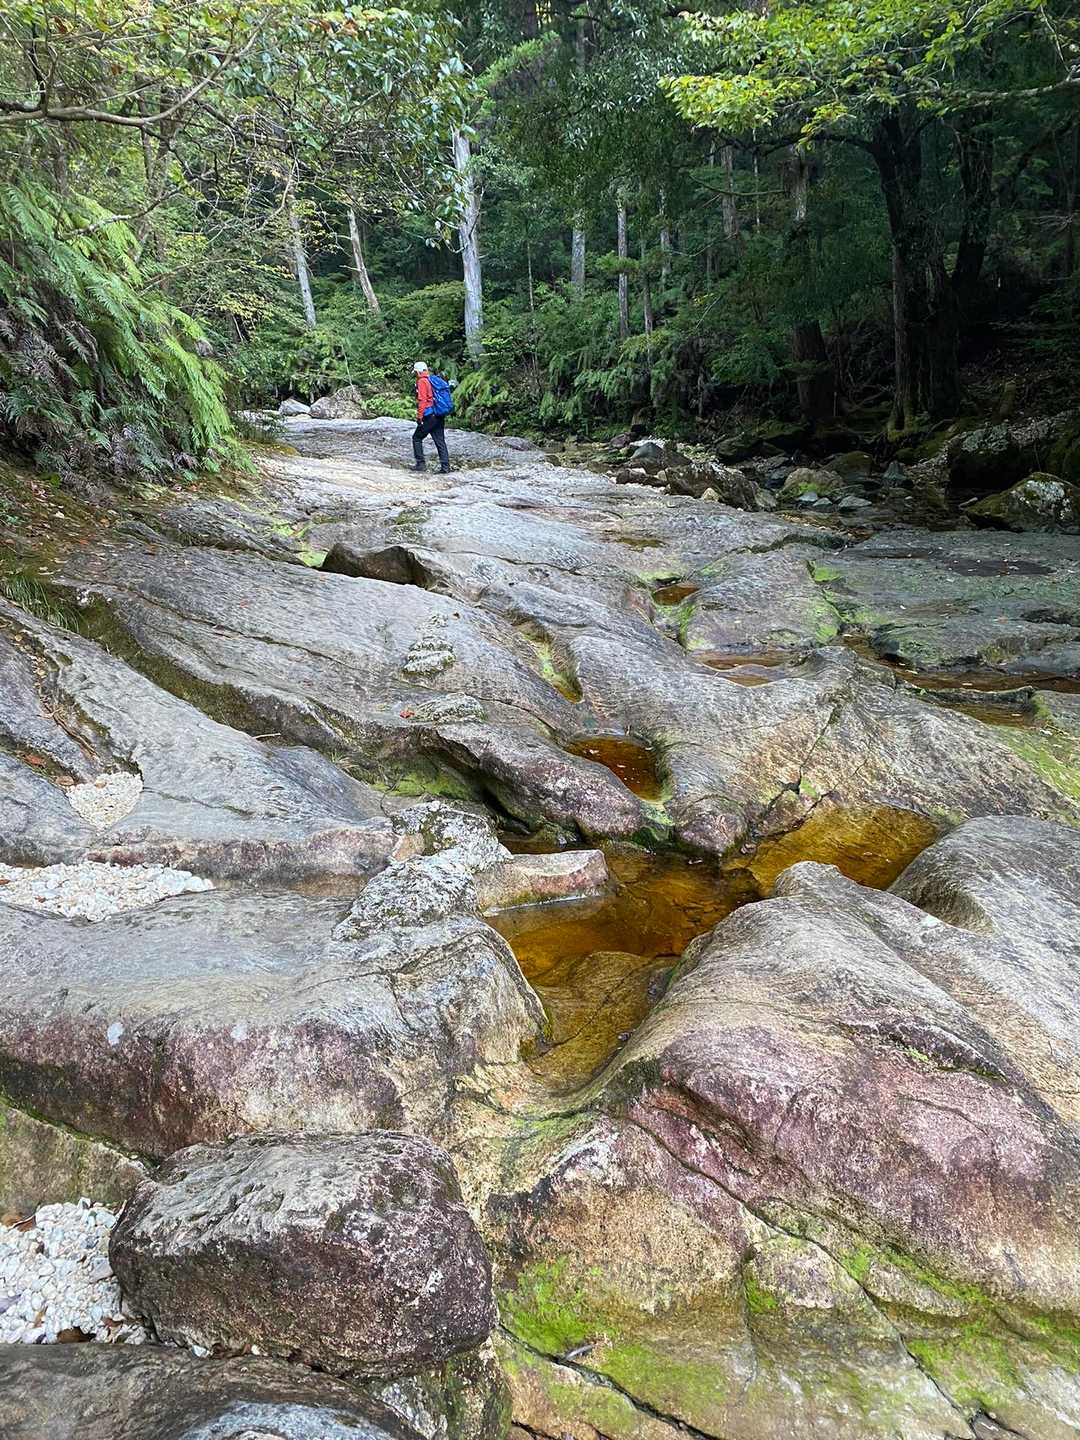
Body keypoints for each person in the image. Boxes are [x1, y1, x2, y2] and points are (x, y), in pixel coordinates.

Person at [412, 361, 451, 473]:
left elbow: (422, 400)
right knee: (440, 441)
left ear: (418, 372)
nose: (416, 374)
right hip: (438, 414)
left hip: (429, 416)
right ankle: (445, 467)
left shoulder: (422, 381)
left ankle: (420, 465)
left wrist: (419, 417)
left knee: (416, 438)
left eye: (416, 372)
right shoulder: (432, 380)